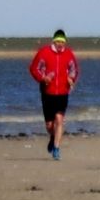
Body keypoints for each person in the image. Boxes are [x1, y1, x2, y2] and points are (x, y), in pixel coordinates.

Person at [29, 29, 79, 160]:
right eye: (58, 41)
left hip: (63, 92)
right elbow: (34, 68)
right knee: (50, 125)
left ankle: (56, 149)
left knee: (59, 120)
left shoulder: (68, 54)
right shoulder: (44, 52)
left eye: (62, 42)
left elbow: (74, 69)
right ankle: (52, 136)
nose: (60, 44)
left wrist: (71, 79)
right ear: (53, 41)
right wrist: (43, 78)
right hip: (47, 92)